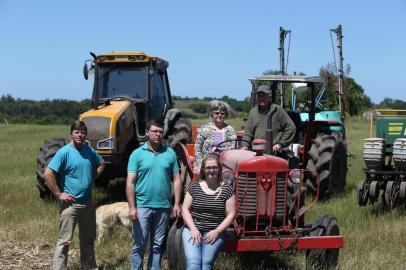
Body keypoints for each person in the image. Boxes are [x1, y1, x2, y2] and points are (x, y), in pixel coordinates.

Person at [44, 120, 105, 270]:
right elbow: (48, 173)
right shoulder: (64, 152)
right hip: (70, 204)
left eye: (83, 132)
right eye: (77, 132)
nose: (80, 135)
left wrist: (92, 177)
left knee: (88, 239)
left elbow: (102, 163)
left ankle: (89, 266)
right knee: (64, 241)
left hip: (88, 203)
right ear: (71, 134)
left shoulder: (89, 151)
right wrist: (59, 194)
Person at [126, 119, 182, 270]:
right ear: (147, 133)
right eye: (154, 131)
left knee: (157, 245)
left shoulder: (169, 153)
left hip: (163, 206)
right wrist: (132, 207)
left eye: (160, 131)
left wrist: (176, 203)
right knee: (139, 245)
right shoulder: (137, 154)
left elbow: (177, 180)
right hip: (142, 206)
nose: (158, 134)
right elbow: (130, 182)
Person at [182, 155, 236, 270]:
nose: (211, 170)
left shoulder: (227, 189)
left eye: (214, 167)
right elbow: (185, 209)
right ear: (203, 169)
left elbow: (231, 214)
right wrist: (193, 229)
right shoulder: (194, 186)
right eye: (208, 167)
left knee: (206, 263)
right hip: (192, 229)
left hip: (215, 231)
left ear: (219, 169)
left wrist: (217, 231)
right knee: (194, 263)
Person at [243, 85, 296, 152]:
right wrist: (245, 145)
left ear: (269, 97)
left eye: (264, 96)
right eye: (259, 96)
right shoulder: (253, 112)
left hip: (274, 151)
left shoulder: (277, 110)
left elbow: (291, 127)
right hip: (256, 151)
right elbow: (248, 132)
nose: (261, 98)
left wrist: (280, 144)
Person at [193, 100, 236, 174]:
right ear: (212, 114)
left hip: (225, 165)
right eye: (217, 113)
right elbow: (197, 148)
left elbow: (234, 149)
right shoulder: (205, 129)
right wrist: (200, 165)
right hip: (207, 163)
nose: (219, 115)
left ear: (225, 115)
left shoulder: (230, 130)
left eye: (222, 113)